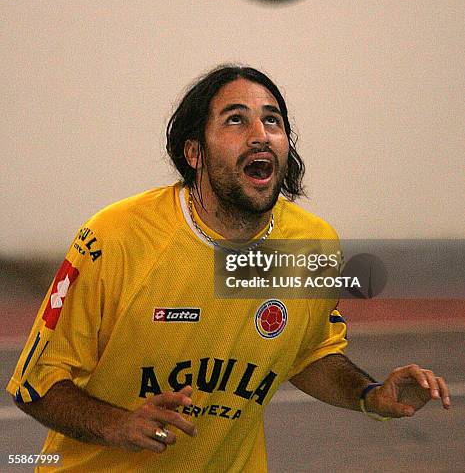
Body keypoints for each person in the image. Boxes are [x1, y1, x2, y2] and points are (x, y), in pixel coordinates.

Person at [8, 64, 450, 472]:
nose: (260, 134)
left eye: (272, 120)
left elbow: (309, 353)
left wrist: (371, 396)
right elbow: (38, 383)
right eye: (236, 120)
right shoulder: (116, 239)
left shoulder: (303, 246)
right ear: (195, 153)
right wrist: (118, 425)